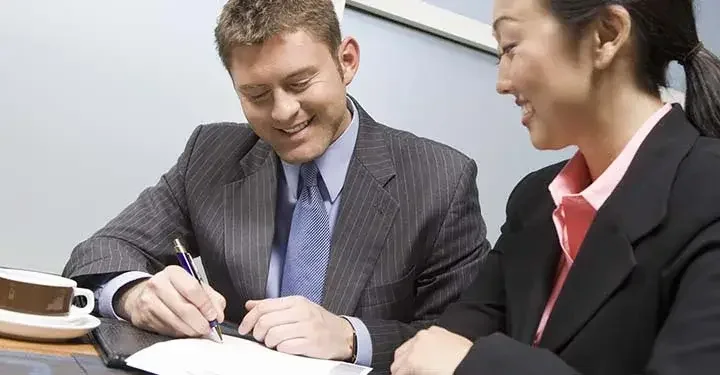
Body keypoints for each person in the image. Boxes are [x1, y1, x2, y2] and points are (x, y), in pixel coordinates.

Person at [61, 0, 490, 372]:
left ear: (347, 61)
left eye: (300, 83)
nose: (283, 112)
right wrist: (136, 295)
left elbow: (468, 345)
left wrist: (352, 337)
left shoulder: (440, 180)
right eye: (257, 94)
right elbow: (98, 252)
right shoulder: (211, 155)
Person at [389, 0, 720, 374]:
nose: (502, 82)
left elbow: (459, 355)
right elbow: (449, 337)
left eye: (511, 46)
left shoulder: (706, 193)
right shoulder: (535, 199)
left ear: (607, 34)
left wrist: (479, 364)